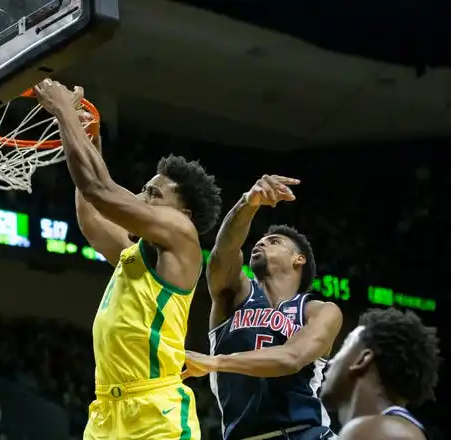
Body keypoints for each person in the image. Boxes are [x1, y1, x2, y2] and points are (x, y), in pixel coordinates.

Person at [34, 79, 222, 440]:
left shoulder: (182, 235)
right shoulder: (138, 252)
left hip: (155, 410)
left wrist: (63, 112)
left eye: (152, 193)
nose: (140, 197)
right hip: (106, 411)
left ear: (182, 211)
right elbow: (92, 219)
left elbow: (100, 190)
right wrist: (90, 142)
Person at [182, 175, 343, 440]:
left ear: (298, 259)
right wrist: (248, 203)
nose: (261, 242)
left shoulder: (319, 310)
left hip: (306, 433)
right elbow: (224, 251)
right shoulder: (233, 296)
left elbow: (292, 358)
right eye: (261, 240)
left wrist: (216, 362)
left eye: (275, 241)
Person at [319, 308, 440, 440]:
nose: (331, 362)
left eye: (344, 345)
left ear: (362, 359)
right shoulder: (394, 428)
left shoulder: (379, 431)